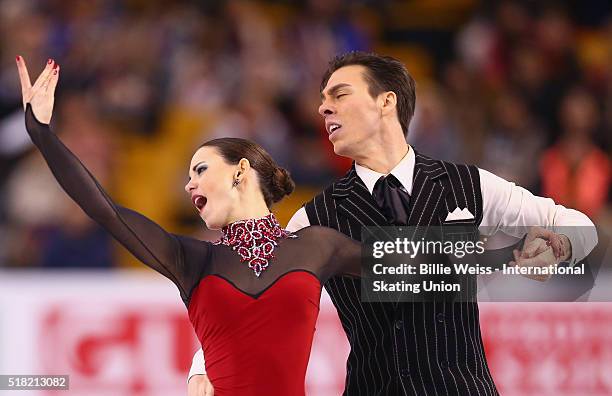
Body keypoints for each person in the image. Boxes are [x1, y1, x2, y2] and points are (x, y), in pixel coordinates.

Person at [188, 52, 598, 395]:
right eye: (322, 98)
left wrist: (560, 245)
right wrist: (202, 366)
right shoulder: (315, 217)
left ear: (386, 102)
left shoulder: (468, 184)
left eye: (339, 94)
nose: (323, 107)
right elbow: (249, 288)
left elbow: (578, 226)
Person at [16, 56, 369, 396]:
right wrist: (42, 134)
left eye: (200, 170)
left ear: (240, 171)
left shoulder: (318, 246)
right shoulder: (193, 260)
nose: (189, 185)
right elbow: (106, 211)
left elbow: (417, 269)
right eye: (188, 176)